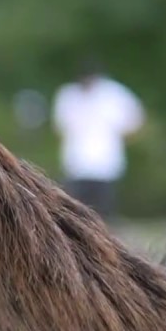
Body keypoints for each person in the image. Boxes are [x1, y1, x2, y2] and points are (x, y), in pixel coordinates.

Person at [51, 62, 145, 221]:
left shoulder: (113, 94)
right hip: (76, 163)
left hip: (105, 162)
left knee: (104, 211)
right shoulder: (68, 95)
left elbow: (135, 119)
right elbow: (59, 126)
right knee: (76, 211)